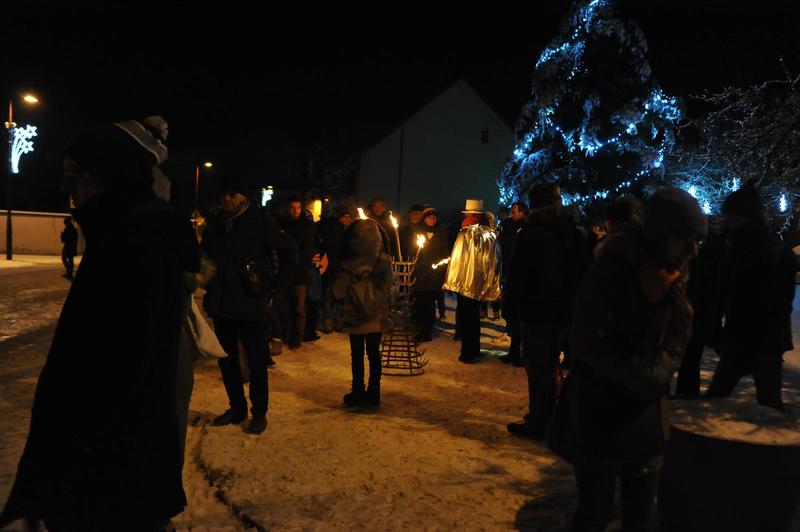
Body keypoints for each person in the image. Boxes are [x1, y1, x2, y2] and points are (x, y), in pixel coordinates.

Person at [1, 121, 201, 531]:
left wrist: (55, 478)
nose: (66, 186)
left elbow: (106, 380)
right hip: (114, 476)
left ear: (110, 174)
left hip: (106, 483)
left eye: (76, 172)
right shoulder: (124, 237)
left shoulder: (134, 247)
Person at [550, 187, 707, 532]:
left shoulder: (676, 272)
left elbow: (680, 334)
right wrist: (642, 375)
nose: (693, 251)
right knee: (595, 510)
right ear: (663, 235)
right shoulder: (612, 268)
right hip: (600, 407)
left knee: (639, 513)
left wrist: (659, 371)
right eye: (687, 240)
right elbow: (589, 339)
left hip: (646, 413)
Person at [202, 176, 297, 434]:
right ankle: (237, 408)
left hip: (250, 302)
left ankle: (259, 412)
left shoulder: (260, 222)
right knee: (227, 360)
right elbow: (205, 256)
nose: (227, 198)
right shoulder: (216, 226)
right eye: (224, 194)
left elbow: (290, 250)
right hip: (222, 304)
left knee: (256, 362)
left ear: (244, 196)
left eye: (233, 194)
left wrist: (275, 285)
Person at [705, 182, 796, 409]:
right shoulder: (751, 246)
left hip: (751, 337)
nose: (725, 220)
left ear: (743, 217)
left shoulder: (741, 248)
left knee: (718, 401)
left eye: (730, 215)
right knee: (767, 402)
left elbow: (732, 293)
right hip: (759, 337)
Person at [506, 184, 587, 438]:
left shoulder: (530, 234)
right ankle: (552, 418)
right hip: (565, 311)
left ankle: (539, 421)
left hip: (537, 311)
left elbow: (518, 275)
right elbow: (583, 272)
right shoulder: (574, 232)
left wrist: (510, 308)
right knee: (551, 364)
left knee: (539, 368)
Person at [332, 218, 392, 406]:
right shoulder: (383, 261)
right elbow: (389, 286)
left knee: (356, 354)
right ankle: (374, 392)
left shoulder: (348, 264)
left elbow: (337, 290)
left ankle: (357, 390)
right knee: (374, 353)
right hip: (376, 315)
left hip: (355, 316)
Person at [442, 198, 501, 363]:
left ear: (470, 215)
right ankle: (474, 348)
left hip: (465, 283)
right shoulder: (489, 232)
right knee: (474, 317)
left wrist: (452, 280)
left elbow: (458, 258)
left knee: (467, 318)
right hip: (479, 282)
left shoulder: (466, 232)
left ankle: (467, 353)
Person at [278, 196, 316, 350]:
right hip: (286, 271)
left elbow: (307, 249)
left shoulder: (307, 225)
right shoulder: (282, 223)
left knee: (299, 306)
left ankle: (297, 337)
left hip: (300, 272)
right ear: (288, 208)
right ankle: (286, 334)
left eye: (298, 208)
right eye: (293, 208)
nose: (296, 211)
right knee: (285, 306)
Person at [413, 207, 450, 342]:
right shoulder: (418, 233)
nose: (432, 219)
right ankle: (418, 329)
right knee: (419, 303)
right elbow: (413, 251)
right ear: (424, 218)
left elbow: (446, 252)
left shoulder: (441, 232)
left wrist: (440, 265)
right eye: (429, 217)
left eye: (434, 217)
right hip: (420, 274)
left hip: (434, 274)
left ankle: (427, 330)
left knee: (429, 304)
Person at [497, 202, 527, 365]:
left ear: (522, 213)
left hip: (519, 279)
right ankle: (513, 351)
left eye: (515, 212)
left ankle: (521, 353)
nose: (512, 214)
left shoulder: (525, 230)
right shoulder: (509, 228)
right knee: (512, 318)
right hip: (509, 275)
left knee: (519, 318)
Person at [318, 205, 353, 332]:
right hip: (332, 267)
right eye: (345, 217)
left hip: (343, 269)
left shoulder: (349, 231)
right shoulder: (335, 231)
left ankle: (338, 319)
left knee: (340, 296)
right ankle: (328, 320)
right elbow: (331, 249)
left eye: (349, 217)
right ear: (339, 218)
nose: (348, 219)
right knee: (329, 294)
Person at [60, 216, 78, 280]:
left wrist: (63, 236)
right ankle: (69, 272)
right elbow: (63, 240)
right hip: (67, 246)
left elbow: (73, 239)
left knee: (69, 259)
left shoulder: (72, 229)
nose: (65, 224)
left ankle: (69, 273)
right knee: (65, 259)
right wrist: (62, 236)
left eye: (66, 223)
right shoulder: (67, 229)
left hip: (70, 246)